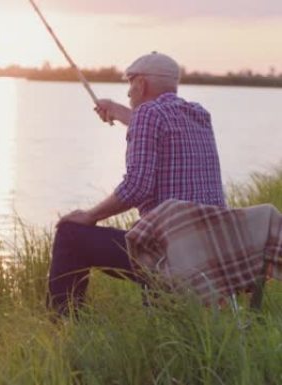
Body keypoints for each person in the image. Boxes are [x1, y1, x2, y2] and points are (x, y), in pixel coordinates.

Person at [48, 52, 226, 315]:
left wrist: (89, 216)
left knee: (70, 235)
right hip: (210, 252)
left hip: (168, 255)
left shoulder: (147, 115)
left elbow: (137, 188)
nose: (129, 93)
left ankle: (63, 326)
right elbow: (166, 128)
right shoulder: (199, 115)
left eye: (129, 84)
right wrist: (121, 113)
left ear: (141, 84)